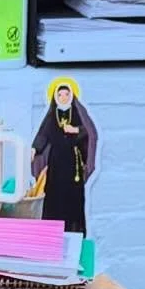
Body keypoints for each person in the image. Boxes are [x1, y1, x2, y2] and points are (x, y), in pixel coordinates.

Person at [31, 80, 98, 235]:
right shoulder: (51, 116)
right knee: (54, 196)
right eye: (60, 94)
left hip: (73, 163)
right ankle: (51, 233)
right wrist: (35, 149)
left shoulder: (78, 113)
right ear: (55, 96)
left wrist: (76, 130)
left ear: (72, 95)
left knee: (73, 198)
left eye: (66, 94)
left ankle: (74, 231)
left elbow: (89, 132)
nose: (63, 98)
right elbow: (43, 135)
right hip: (56, 163)